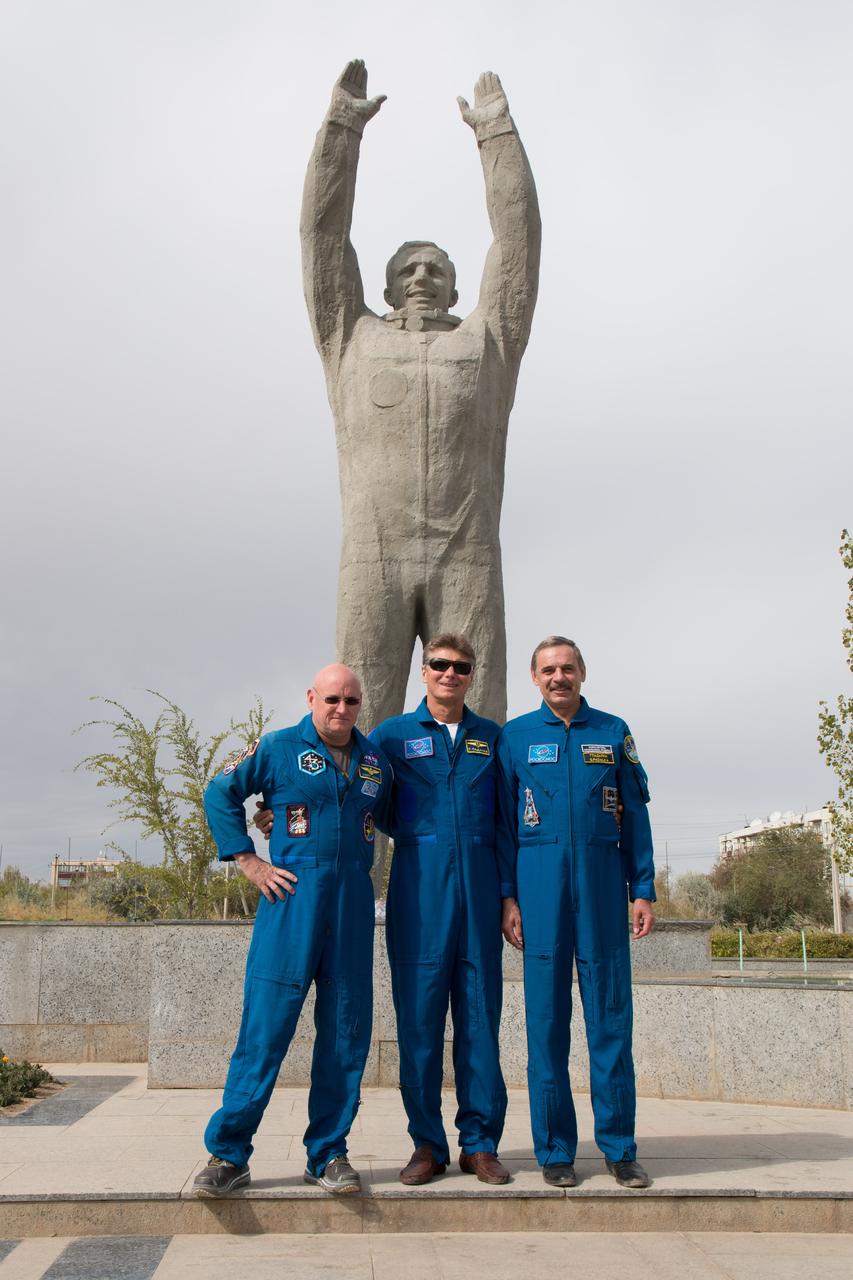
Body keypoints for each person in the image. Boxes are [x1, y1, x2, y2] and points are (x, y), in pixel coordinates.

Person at [300, 60, 541, 747]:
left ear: (457, 287)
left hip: (465, 553)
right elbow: (321, 240)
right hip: (371, 556)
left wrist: (495, 135)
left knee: (478, 732)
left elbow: (518, 246)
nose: (420, 278)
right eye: (406, 268)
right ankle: (357, 857)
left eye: (435, 268)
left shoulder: (485, 344)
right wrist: (341, 129)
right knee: (351, 725)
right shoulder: (350, 338)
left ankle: (475, 856)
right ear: (382, 285)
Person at [256, 634, 509, 1185]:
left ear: (471, 673)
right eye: (439, 664)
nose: (449, 673)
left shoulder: (493, 739)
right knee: (418, 1024)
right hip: (419, 894)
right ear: (424, 671)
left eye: (460, 666)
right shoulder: (390, 739)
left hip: (482, 894)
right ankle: (427, 1145)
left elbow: (511, 820)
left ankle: (481, 1142)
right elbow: (359, 804)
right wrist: (281, 815)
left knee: (480, 1020)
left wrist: (510, 895)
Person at [193, 664, 392, 1197]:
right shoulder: (279, 747)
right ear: (312, 697)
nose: (341, 709)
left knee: (346, 1034)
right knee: (265, 1030)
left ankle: (327, 1153)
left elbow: (392, 818)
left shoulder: (375, 762)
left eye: (351, 701)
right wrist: (249, 861)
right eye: (331, 699)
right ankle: (228, 1154)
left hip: (351, 907)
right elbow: (219, 792)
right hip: (291, 901)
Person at [496, 637, 656, 1189]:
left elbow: (634, 813)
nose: (558, 677)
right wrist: (507, 897)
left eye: (567, 668)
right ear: (534, 679)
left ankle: (619, 1148)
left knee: (611, 1020)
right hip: (538, 888)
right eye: (548, 670)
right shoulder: (514, 737)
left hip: (602, 884)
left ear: (583, 672)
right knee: (546, 1027)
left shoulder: (613, 732)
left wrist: (644, 888)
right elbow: (502, 828)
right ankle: (556, 1151)